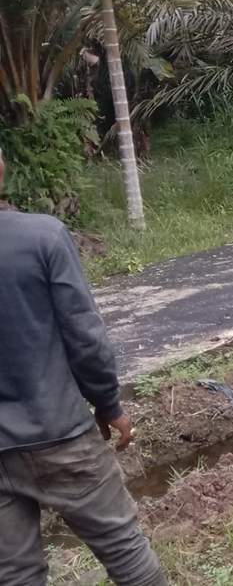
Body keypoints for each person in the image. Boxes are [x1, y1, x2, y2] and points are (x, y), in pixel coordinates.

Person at [0, 146, 168, 585]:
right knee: (124, 550)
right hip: (59, 434)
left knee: (14, 574)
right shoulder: (42, 237)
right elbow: (84, 336)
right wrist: (108, 404)